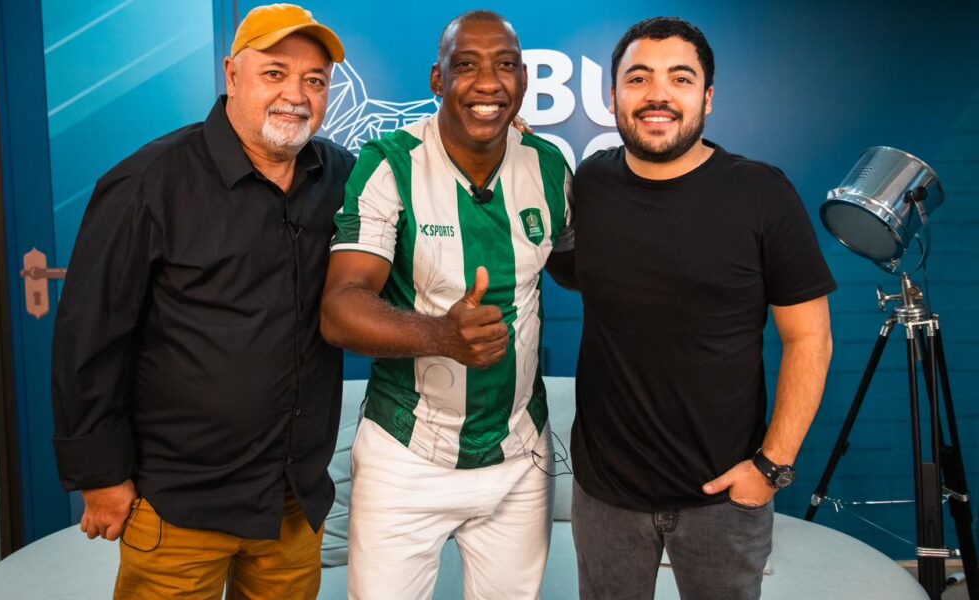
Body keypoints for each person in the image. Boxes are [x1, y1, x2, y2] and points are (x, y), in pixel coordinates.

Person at [51, 5, 354, 598]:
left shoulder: (342, 176)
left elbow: (421, 186)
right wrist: (100, 476)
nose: (296, 95)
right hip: (179, 504)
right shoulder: (149, 182)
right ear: (232, 75)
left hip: (293, 504)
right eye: (274, 73)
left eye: (314, 80)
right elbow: (88, 337)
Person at [564, 17, 835, 600]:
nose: (658, 94)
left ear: (707, 98)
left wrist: (770, 469)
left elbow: (810, 339)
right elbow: (580, 272)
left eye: (680, 79)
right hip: (605, 495)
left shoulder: (762, 194)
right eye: (639, 78)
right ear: (613, 96)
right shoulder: (590, 184)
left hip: (723, 498)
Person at [320, 10, 573, 599]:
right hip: (407, 454)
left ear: (524, 80)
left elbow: (573, 265)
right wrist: (443, 337)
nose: (489, 82)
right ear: (438, 80)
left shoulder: (549, 165)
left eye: (505, 65)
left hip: (520, 455)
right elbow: (339, 307)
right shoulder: (389, 163)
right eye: (466, 65)